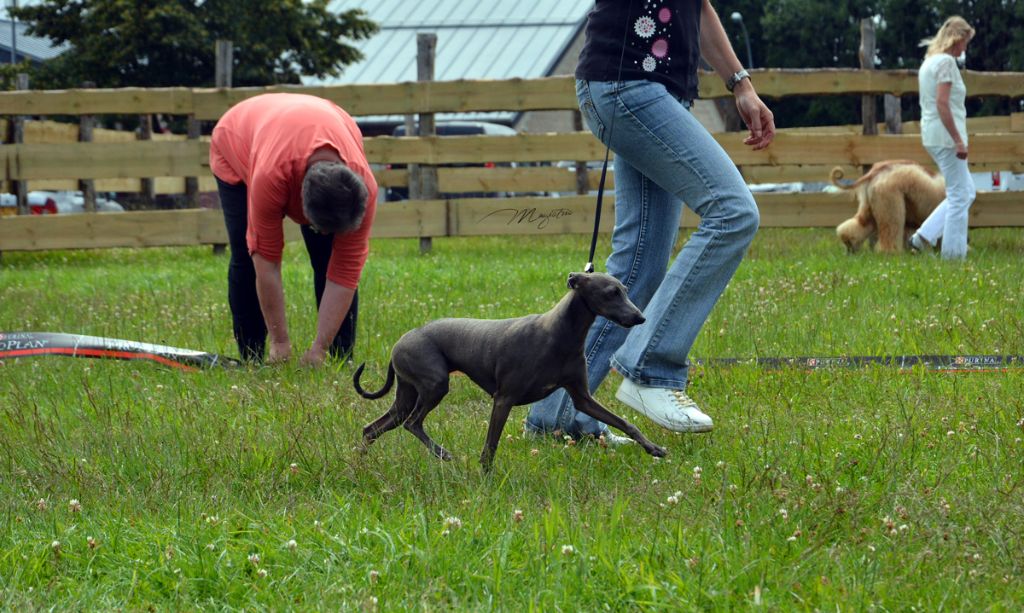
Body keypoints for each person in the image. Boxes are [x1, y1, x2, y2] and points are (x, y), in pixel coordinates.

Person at [526, 0, 775, 441]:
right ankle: (651, 369)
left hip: (656, 94)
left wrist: (740, 82)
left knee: (637, 268)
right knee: (733, 211)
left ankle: (555, 420)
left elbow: (697, 7)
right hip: (625, 87)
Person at [210, 93, 378, 366]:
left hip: (310, 124)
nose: (325, 234)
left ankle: (337, 358)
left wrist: (319, 348)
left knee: (327, 258)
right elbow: (266, 262)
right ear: (300, 202)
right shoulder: (270, 177)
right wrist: (280, 342)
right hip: (237, 136)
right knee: (245, 255)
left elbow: (345, 271)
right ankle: (252, 356)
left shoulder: (365, 189)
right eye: (319, 227)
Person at [909, 16, 977, 260]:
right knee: (960, 195)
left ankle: (923, 237)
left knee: (966, 191)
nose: (965, 48)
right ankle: (953, 256)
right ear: (957, 39)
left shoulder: (929, 62)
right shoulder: (947, 63)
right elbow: (942, 103)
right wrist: (958, 140)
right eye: (965, 42)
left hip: (933, 135)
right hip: (947, 138)